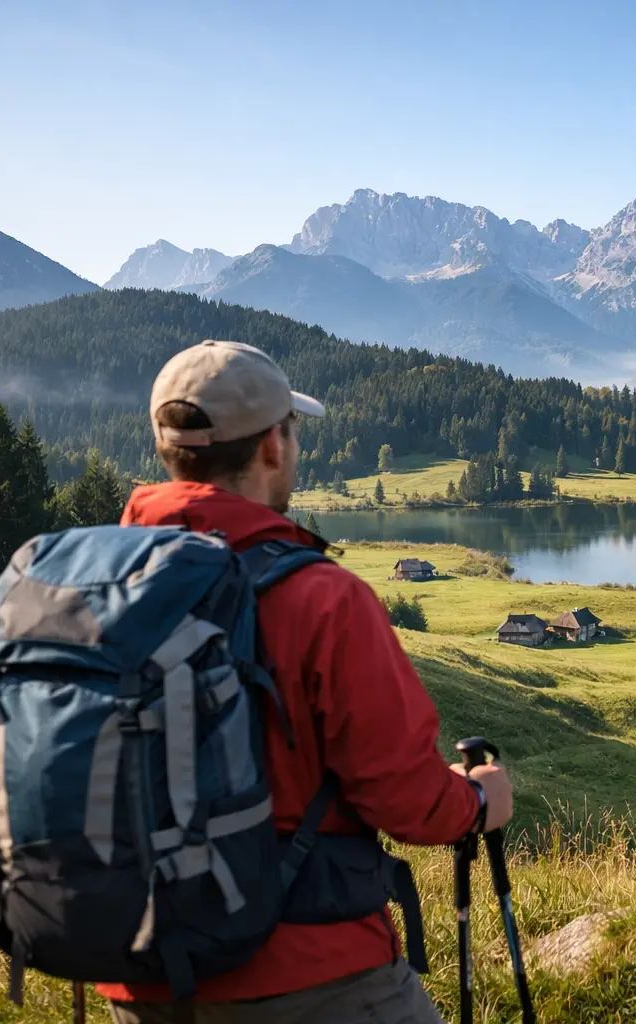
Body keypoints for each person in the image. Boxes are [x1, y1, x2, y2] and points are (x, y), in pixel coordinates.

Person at [98, 340, 513, 1023]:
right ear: (270, 447)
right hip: (315, 976)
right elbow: (404, 799)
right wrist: (477, 803)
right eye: (291, 429)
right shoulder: (321, 599)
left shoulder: (97, 587)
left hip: (140, 970)